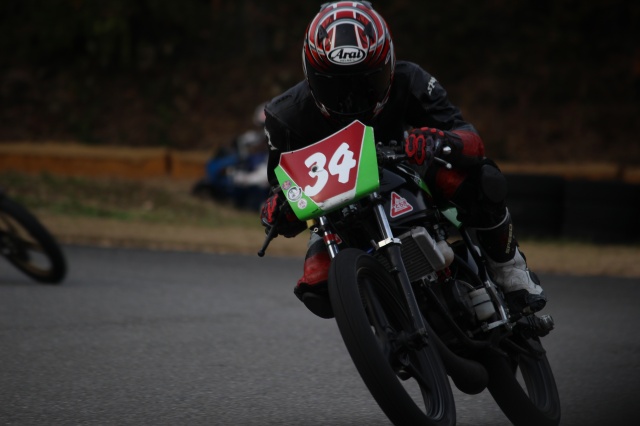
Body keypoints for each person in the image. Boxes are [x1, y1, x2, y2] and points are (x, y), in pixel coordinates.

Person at [260, 1, 546, 319]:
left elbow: (470, 139)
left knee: (483, 179)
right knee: (316, 284)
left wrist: (439, 140)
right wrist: (275, 209)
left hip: (409, 171)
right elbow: (282, 187)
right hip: (337, 205)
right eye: (334, 85)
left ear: (389, 64)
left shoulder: (410, 79)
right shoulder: (285, 114)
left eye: (366, 82)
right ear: (310, 75)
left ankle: (511, 271)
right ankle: (385, 322)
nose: (350, 97)